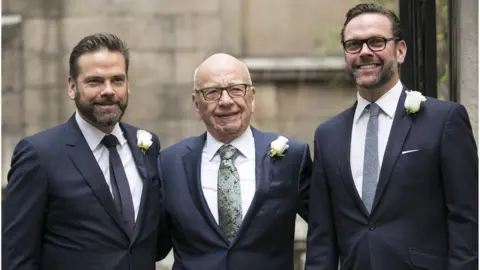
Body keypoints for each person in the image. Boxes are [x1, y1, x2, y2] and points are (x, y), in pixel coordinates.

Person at [305, 3, 478, 270]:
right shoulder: (328, 135)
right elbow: (321, 239)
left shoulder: (444, 120)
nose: (364, 52)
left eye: (376, 42)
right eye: (354, 45)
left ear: (400, 51)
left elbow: (465, 220)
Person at [2, 33, 170, 270]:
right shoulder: (39, 155)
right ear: (72, 87)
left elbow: (154, 240)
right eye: (95, 81)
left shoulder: (148, 145)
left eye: (117, 80)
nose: (108, 90)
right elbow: (16, 257)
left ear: (128, 85)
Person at [157, 53, 312, 270]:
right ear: (196, 104)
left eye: (236, 89)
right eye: (212, 92)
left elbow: (324, 231)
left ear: (252, 97)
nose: (226, 101)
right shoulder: (169, 163)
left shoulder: (292, 158)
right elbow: (154, 245)